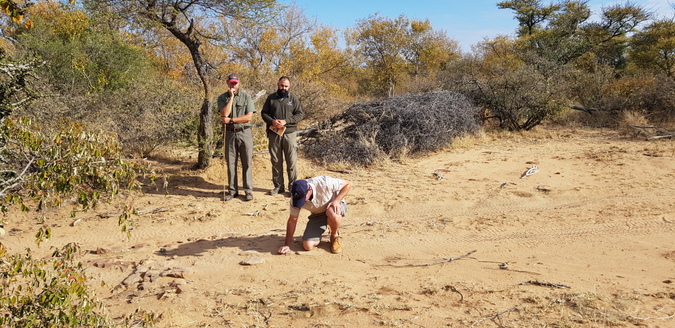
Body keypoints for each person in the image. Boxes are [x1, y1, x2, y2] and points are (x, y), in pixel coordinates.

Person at [277, 176, 352, 254]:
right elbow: (292, 221)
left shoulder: (324, 182)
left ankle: (334, 235)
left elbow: (348, 184)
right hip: (318, 214)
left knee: (332, 212)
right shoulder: (295, 198)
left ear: (309, 190)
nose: (302, 201)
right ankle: (327, 226)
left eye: (303, 198)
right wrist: (287, 244)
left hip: (334, 207)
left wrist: (336, 201)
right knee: (308, 245)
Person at [261, 76, 304, 195]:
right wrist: (271, 121)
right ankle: (278, 187)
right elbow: (264, 113)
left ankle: (293, 187)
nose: (283, 88)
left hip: (289, 133)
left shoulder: (293, 98)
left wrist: (286, 121)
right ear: (277, 84)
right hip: (274, 133)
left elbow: (300, 115)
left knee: (291, 161)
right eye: (281, 85)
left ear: (289, 86)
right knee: (276, 161)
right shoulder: (271, 98)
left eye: (285, 86)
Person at [217, 73, 256, 201]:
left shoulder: (246, 97)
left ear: (239, 83)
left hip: (244, 133)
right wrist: (231, 97)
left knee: (247, 163)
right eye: (231, 83)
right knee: (231, 163)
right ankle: (232, 191)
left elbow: (249, 117)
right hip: (229, 134)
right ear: (227, 83)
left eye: (235, 83)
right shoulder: (222, 98)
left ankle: (248, 191)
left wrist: (232, 120)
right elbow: (224, 114)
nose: (233, 85)